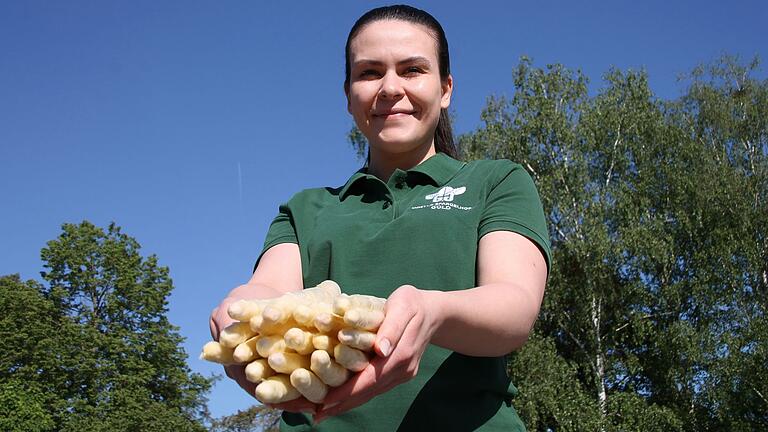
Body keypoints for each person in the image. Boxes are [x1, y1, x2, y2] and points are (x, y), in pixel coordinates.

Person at [209, 5, 551, 431]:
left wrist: (430, 312)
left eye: (412, 70)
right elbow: (269, 290)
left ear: (445, 89)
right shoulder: (307, 208)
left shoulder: (496, 182)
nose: (390, 87)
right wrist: (239, 312)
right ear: (349, 94)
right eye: (370, 72)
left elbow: (514, 306)